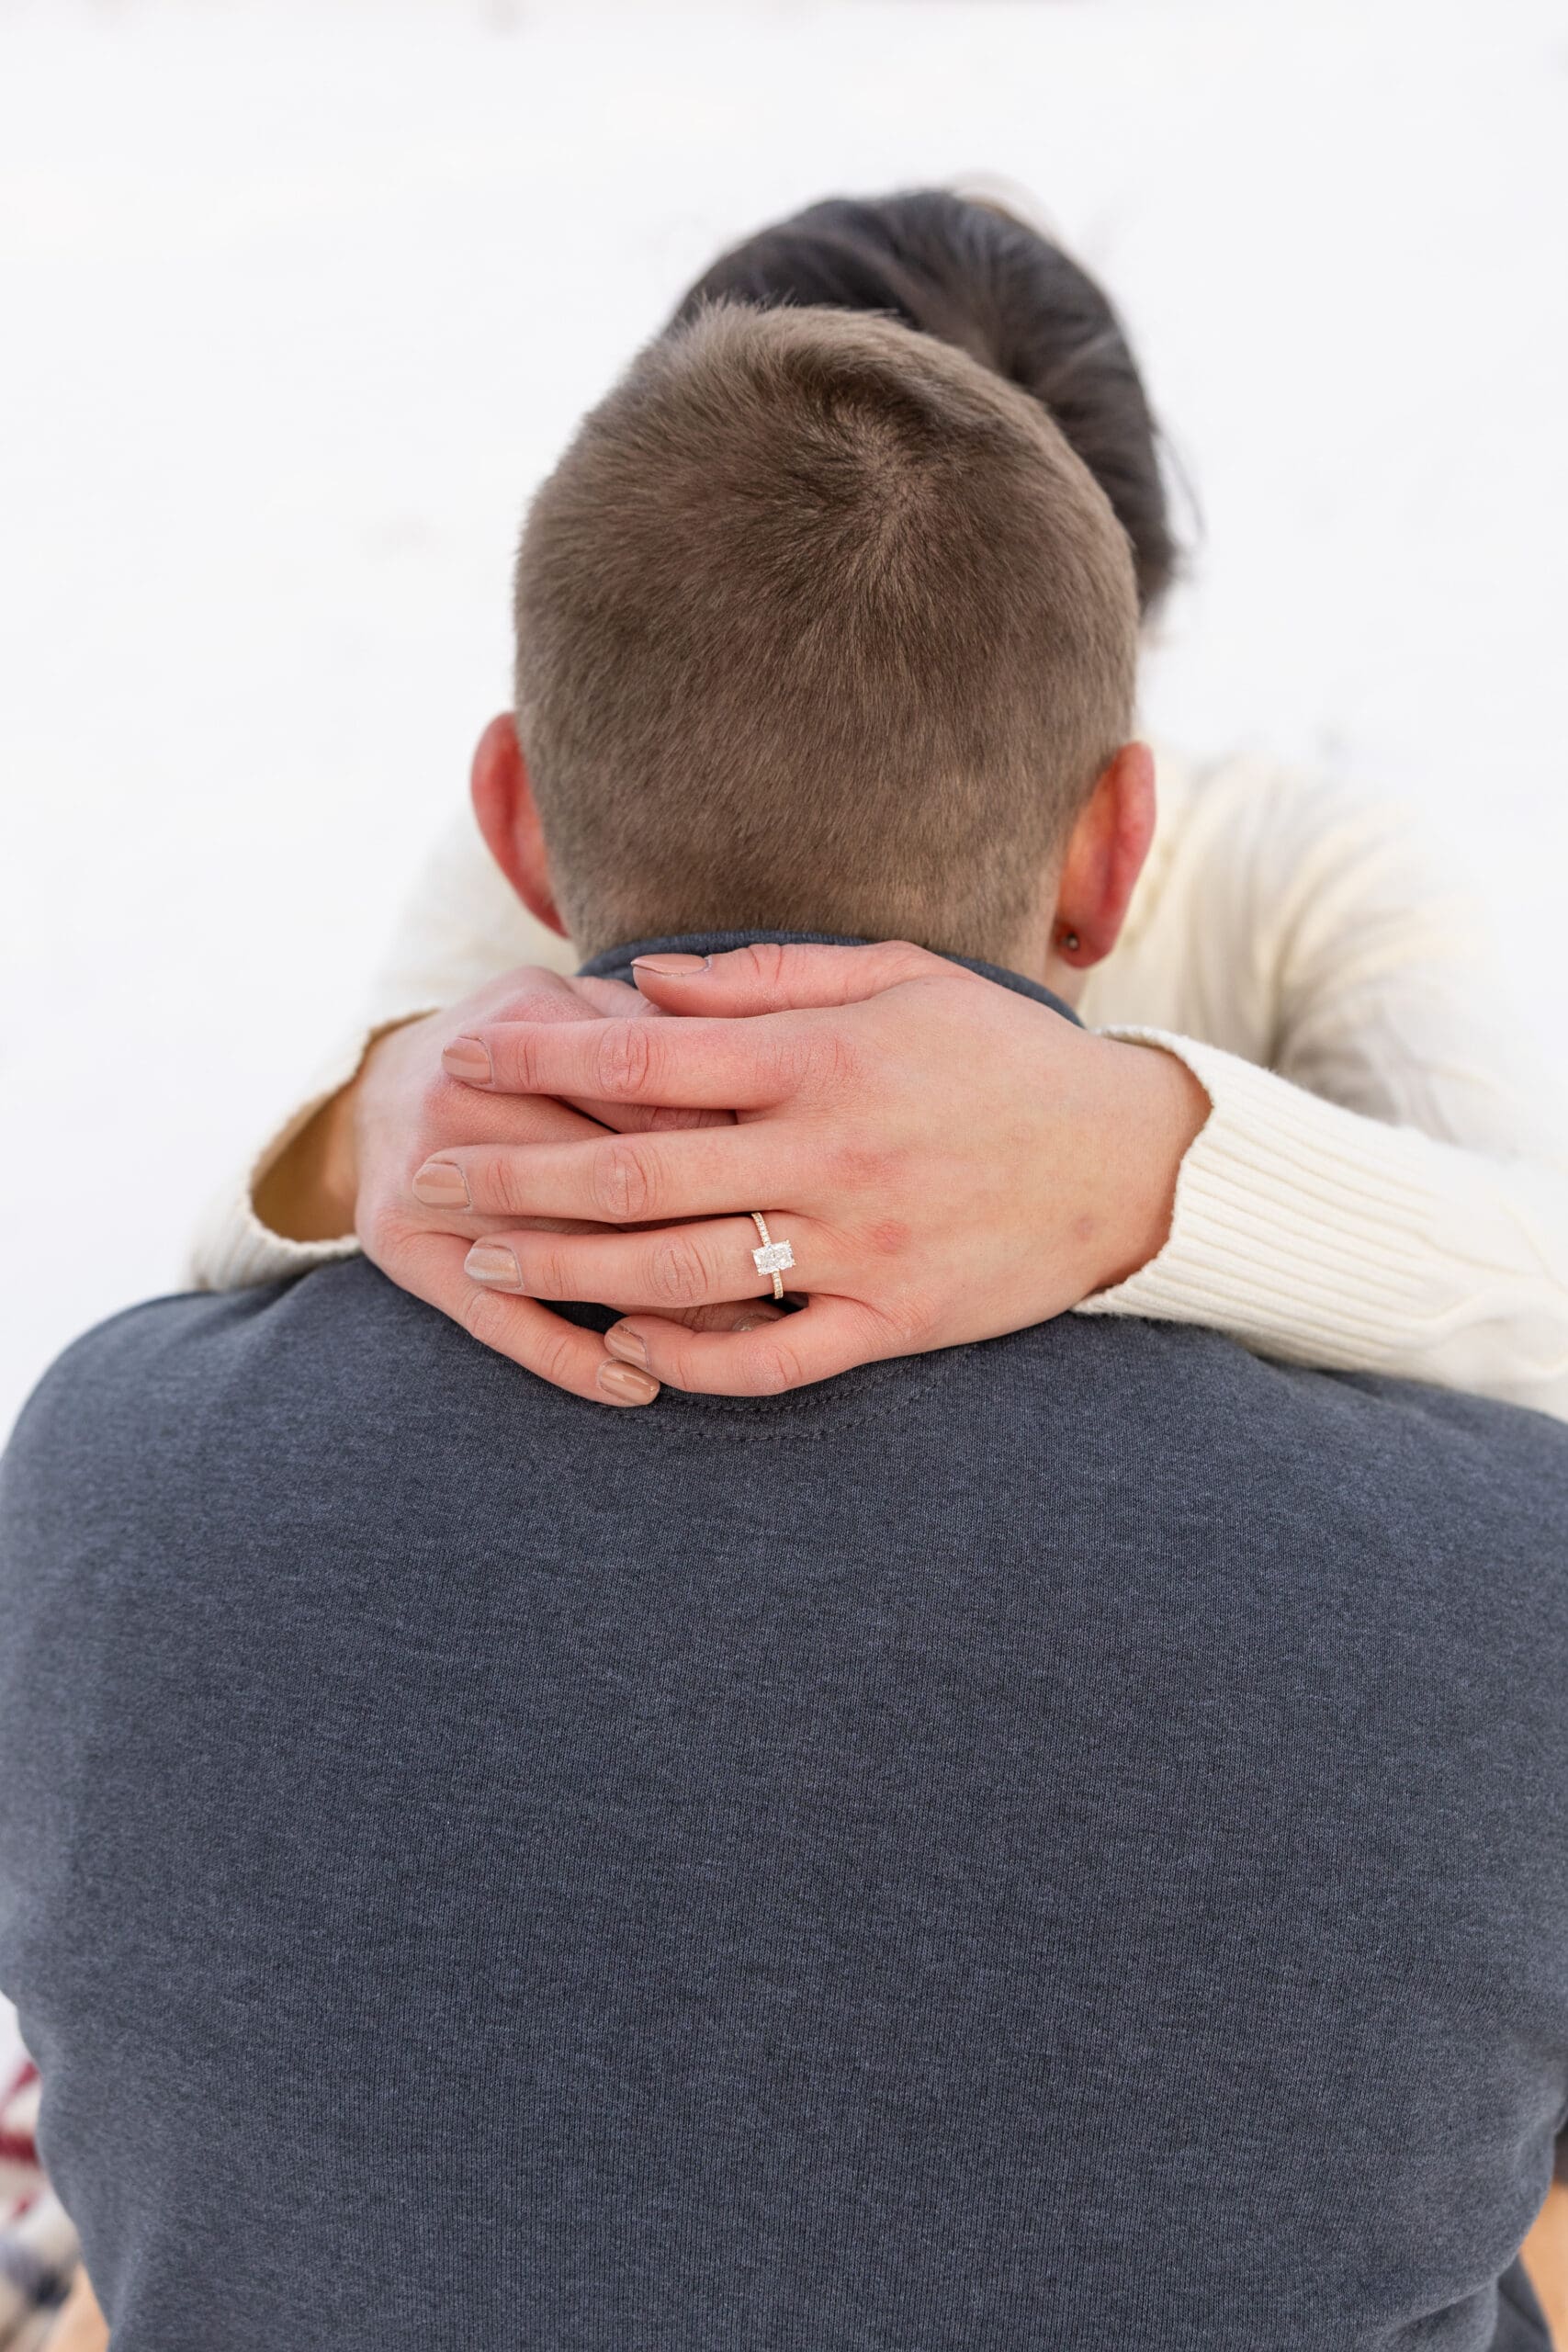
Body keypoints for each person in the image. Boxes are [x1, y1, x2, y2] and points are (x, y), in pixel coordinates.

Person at [3, 299, 1566, 2351]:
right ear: (1111, 849)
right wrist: (1169, 1170)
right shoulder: (1497, 1582)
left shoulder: (98, 1489)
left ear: (517, 821)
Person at [193, 189, 1568, 1419]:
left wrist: (1141, 1159)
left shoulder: (1307, 879)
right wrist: (375, 1115)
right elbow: (218, 1283)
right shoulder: (526, 853)